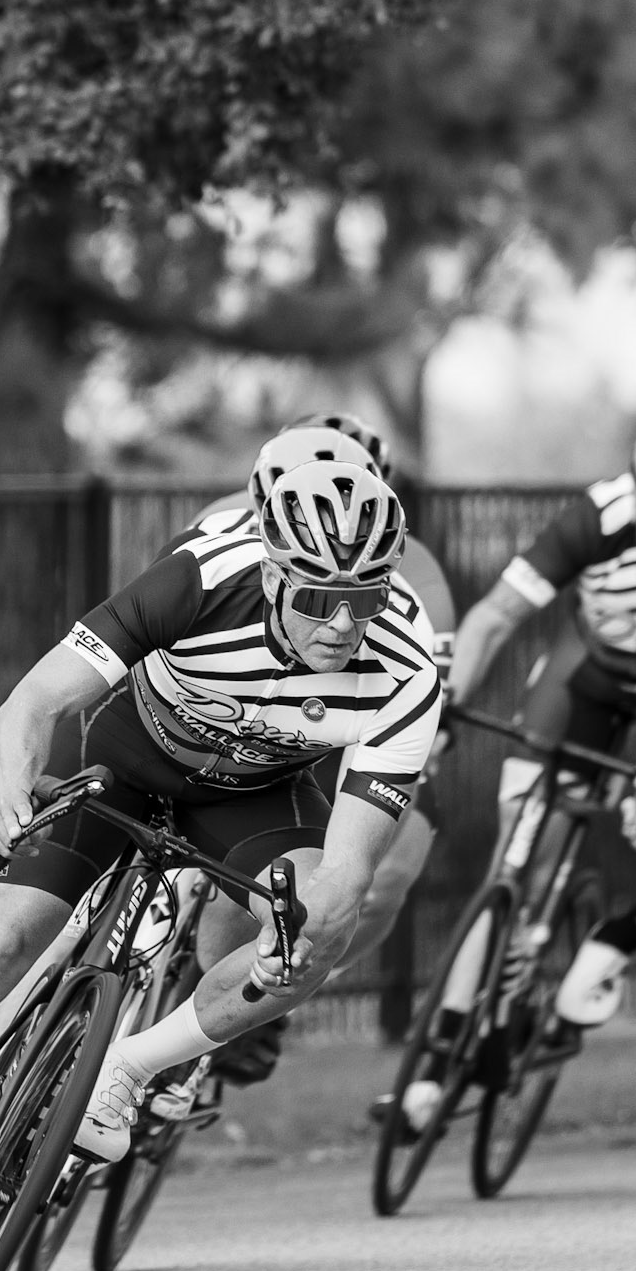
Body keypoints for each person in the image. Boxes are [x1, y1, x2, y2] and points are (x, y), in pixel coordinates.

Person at [0, 458, 441, 1271]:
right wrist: (9, 801)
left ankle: (129, 1068)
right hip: (131, 760)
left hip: (257, 800)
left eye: (364, 598)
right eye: (319, 597)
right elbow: (34, 703)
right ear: (272, 572)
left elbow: (348, 869)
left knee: (316, 929)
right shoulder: (198, 579)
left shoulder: (407, 668)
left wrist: (309, 920)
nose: (341, 623)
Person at [390, 415, 636, 1134]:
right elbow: (493, 619)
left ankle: (614, 941)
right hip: (590, 680)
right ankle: (440, 1053)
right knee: (517, 855)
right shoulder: (596, 517)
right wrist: (441, 712)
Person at [196, 413, 458, 980]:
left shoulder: (415, 571)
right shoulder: (218, 523)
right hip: (235, 714)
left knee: (370, 875)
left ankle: (283, 989)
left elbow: (426, 689)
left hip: (344, 725)